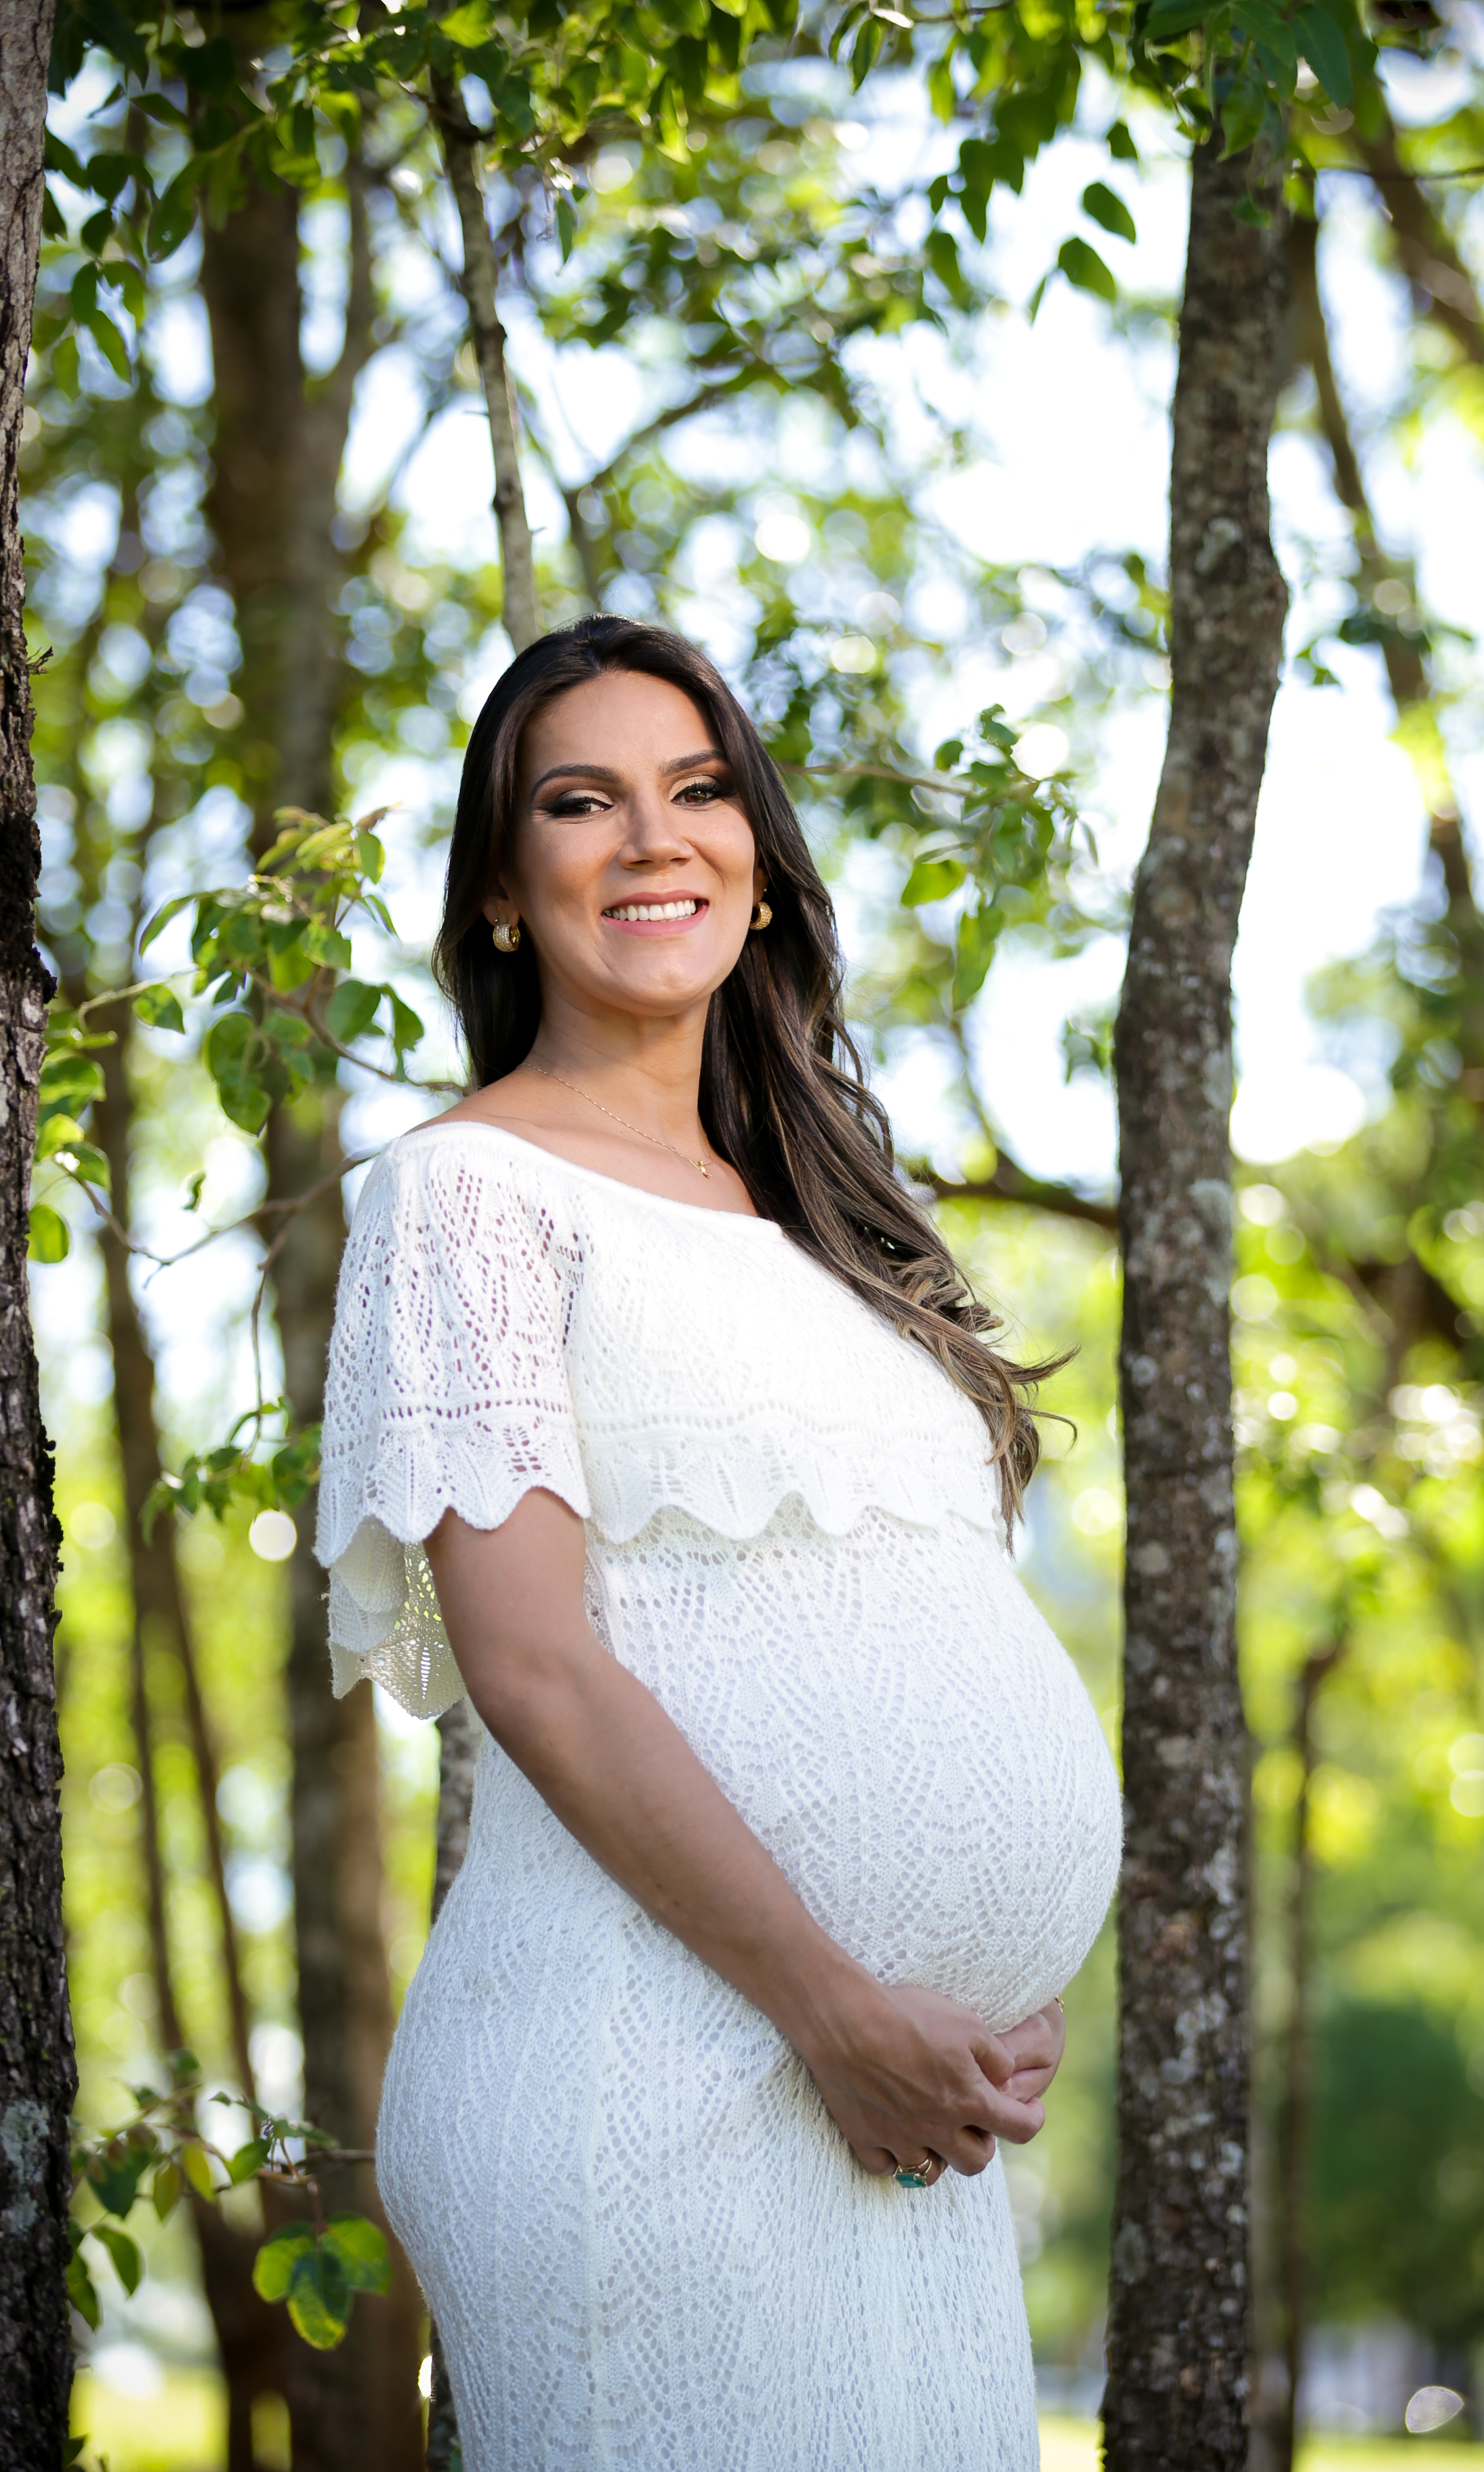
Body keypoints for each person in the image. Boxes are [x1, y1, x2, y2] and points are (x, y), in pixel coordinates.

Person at [316, 615, 1121, 2471]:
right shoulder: (468, 1196)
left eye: (695, 792)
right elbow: (531, 1664)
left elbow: (922, 1626)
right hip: (654, 2079)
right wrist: (840, 2004)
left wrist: (999, 1988)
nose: (650, 840)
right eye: (580, 802)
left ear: (757, 861)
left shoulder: (835, 1227)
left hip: (900, 2109)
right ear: (507, 890)